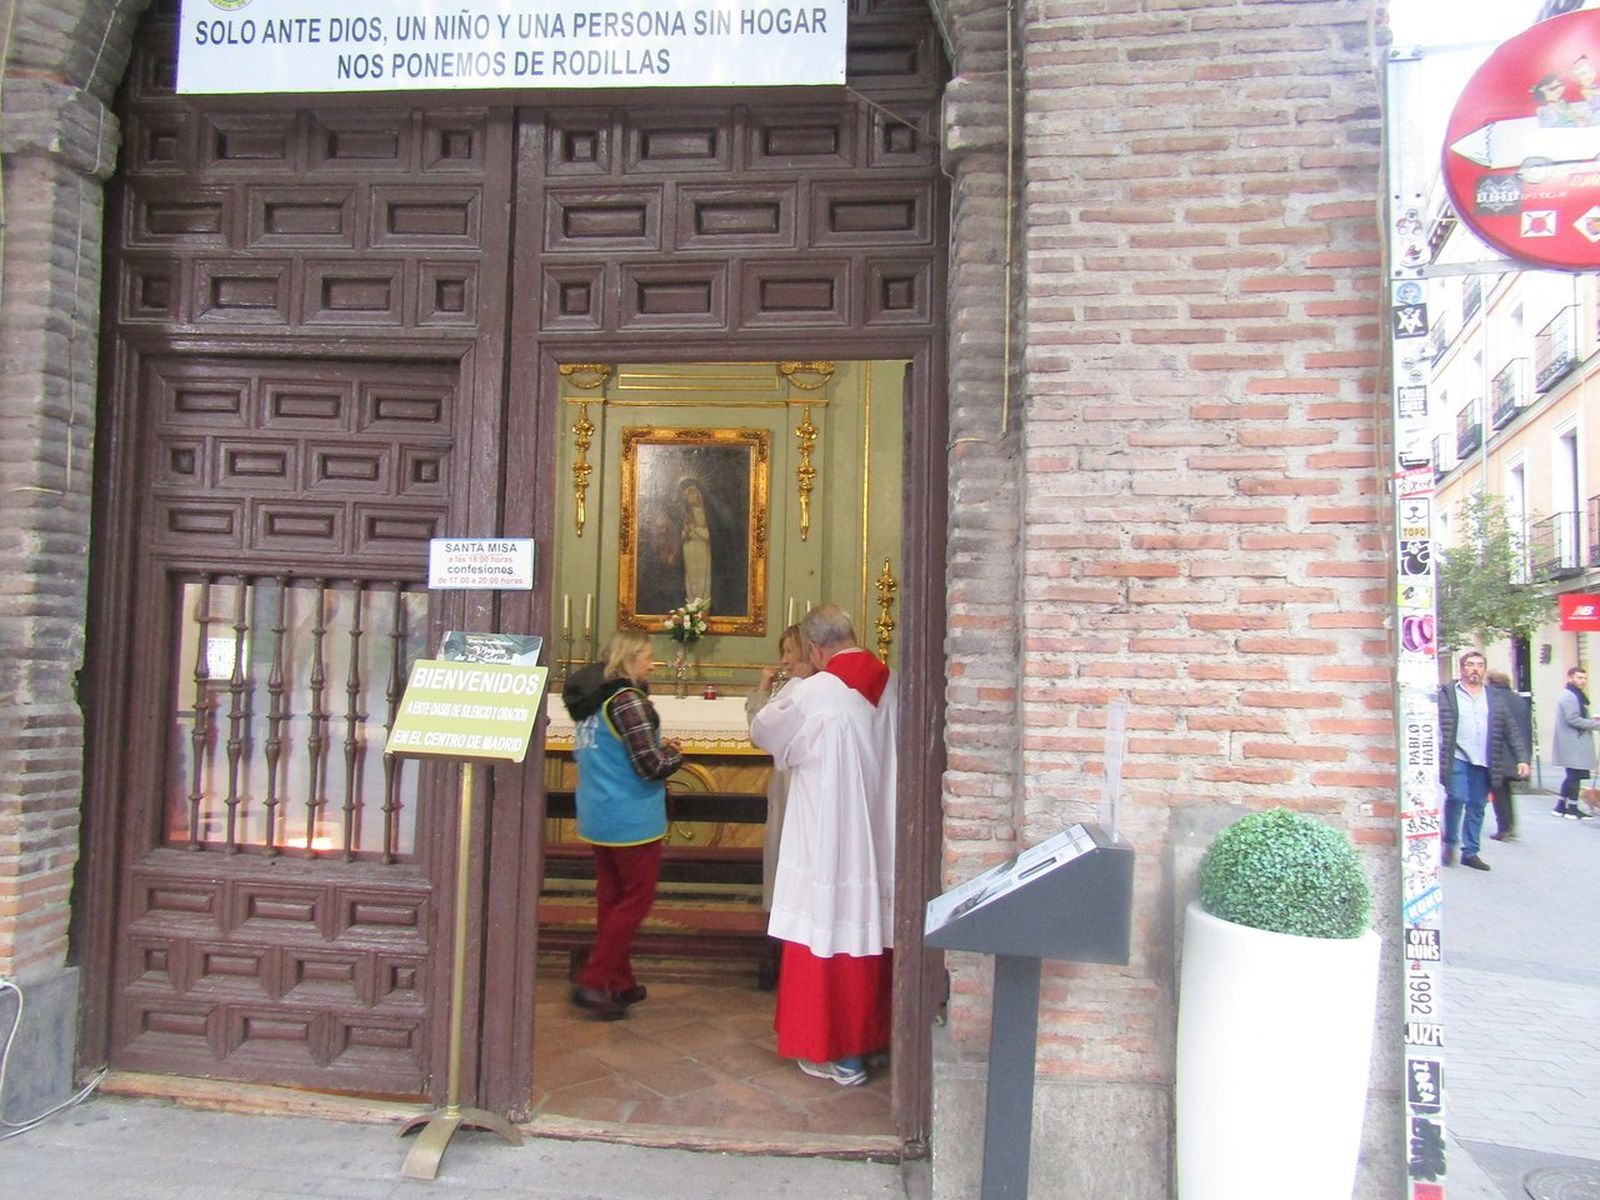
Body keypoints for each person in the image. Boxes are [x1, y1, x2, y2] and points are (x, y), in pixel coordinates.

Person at [748, 605, 896, 1087]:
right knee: (869, 926)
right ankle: (869, 1042)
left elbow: (763, 731)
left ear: (814, 649)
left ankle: (834, 1051)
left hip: (830, 838)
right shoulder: (890, 684)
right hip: (879, 834)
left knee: (826, 927)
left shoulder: (814, 692)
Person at [561, 629, 683, 1019]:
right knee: (636, 899)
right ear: (630, 659)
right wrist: (674, 755)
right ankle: (595, 980)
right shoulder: (627, 700)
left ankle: (620, 982)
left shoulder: (590, 704)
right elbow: (649, 766)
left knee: (612, 899)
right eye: (647, 655)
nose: (651, 663)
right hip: (632, 818)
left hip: (599, 813)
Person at [1437, 650, 1530, 871]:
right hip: (1458, 755)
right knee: (1457, 797)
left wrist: (1522, 758)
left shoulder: (1494, 698)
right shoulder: (1448, 693)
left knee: (1477, 804)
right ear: (1462, 668)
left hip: (1485, 758)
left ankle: (1471, 852)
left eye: (1479, 665)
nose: (1475, 669)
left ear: (1484, 669)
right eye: (1470, 664)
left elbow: (1510, 729)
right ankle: (1450, 843)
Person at [744, 624, 814, 910]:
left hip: (797, 780)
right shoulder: (792, 688)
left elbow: (758, 729)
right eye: (782, 652)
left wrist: (762, 689)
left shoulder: (797, 690)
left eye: (789, 651)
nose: (784, 660)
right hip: (787, 780)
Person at [1485, 669, 1532, 841]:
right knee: (1506, 789)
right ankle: (1510, 825)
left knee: (1499, 789)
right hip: (1517, 750)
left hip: (1498, 749)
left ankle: (1504, 827)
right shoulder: (1518, 700)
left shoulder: (1492, 699)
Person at [1550, 665, 1600, 820]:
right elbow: (1572, 719)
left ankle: (1560, 807)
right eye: (1579, 677)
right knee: (1574, 776)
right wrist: (1595, 724)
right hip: (1572, 742)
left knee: (1572, 775)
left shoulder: (1574, 694)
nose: (1582, 681)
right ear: (1570, 678)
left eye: (1584, 678)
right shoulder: (1569, 696)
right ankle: (1572, 808)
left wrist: (1592, 720)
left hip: (1573, 741)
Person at [678, 478, 713, 607]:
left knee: (703, 576)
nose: (691, 497)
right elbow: (681, 536)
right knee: (691, 576)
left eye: (693, 493)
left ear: (698, 494)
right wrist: (686, 531)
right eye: (688, 495)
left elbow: (710, 534)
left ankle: (703, 606)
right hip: (689, 548)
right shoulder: (686, 514)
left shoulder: (707, 512)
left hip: (702, 547)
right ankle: (691, 604)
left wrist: (695, 529)